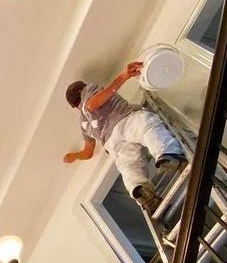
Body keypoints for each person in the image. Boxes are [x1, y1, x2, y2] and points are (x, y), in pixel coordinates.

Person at [63, 60, 187, 213]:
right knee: (147, 126)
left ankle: (141, 192)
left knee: (128, 165)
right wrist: (123, 76)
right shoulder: (88, 90)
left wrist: (73, 156)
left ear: (73, 106)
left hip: (112, 143)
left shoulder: (83, 124)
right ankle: (169, 154)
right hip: (124, 119)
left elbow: (87, 152)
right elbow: (91, 105)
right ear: (82, 91)